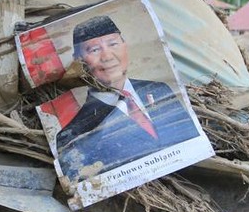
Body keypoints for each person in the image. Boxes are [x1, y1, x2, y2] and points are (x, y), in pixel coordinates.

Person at [55, 15, 201, 181]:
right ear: (78, 61)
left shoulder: (159, 90)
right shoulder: (74, 134)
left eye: (113, 44)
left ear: (125, 46)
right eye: (94, 50)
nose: (107, 57)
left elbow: (192, 142)